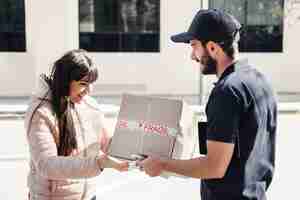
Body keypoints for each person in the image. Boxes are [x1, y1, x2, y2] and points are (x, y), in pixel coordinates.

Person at [137, 9, 277, 200]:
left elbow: (214, 167)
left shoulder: (227, 91)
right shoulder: (260, 81)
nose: (192, 56)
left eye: (194, 46)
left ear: (212, 48)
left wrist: (162, 164)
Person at [25, 49, 128, 200]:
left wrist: (136, 143)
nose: (89, 91)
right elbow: (46, 164)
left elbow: (106, 143)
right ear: (65, 80)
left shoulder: (90, 105)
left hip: (88, 196)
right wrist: (99, 163)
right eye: (83, 84)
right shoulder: (41, 113)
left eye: (91, 84)